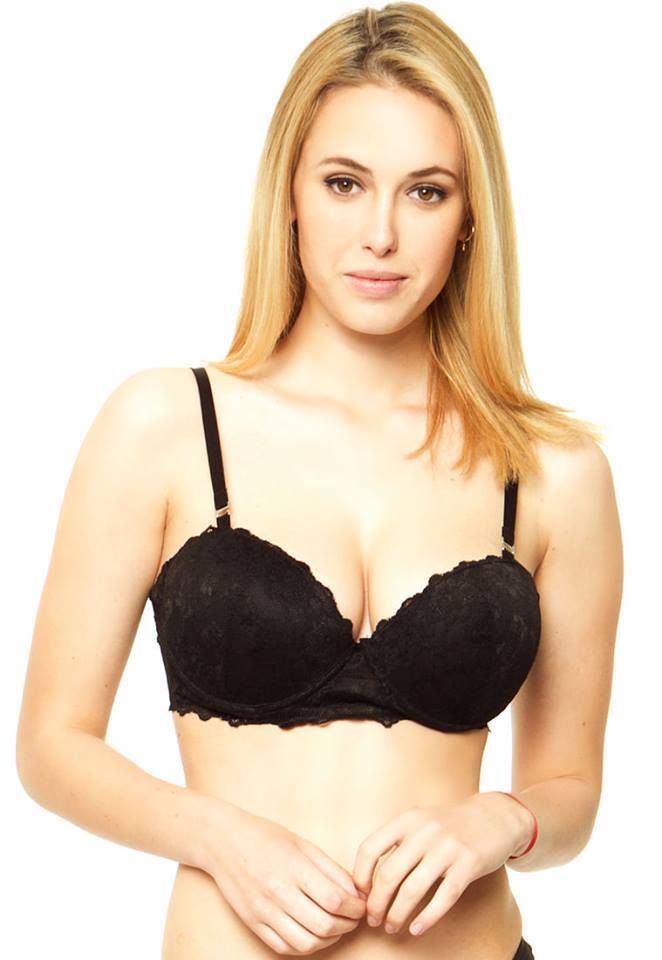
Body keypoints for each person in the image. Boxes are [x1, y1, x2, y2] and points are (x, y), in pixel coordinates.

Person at [16, 4, 622, 958]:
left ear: (470, 218)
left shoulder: (552, 472)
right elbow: (52, 745)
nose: (380, 234)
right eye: (345, 183)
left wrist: (501, 819)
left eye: (426, 192)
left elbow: (572, 794)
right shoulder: (166, 427)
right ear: (290, 194)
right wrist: (221, 839)